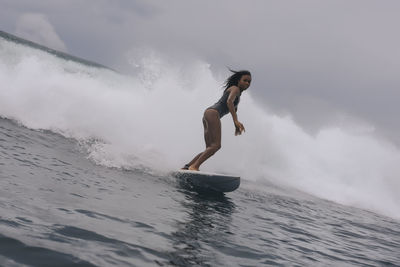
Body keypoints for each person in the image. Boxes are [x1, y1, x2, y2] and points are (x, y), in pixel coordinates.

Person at [183, 69, 252, 171]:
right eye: (245, 80)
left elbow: (233, 107)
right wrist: (235, 121)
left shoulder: (237, 93)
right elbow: (229, 102)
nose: (247, 83)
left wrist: (236, 125)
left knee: (209, 148)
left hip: (208, 113)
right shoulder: (235, 89)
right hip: (213, 113)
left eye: (249, 82)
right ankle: (195, 166)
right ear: (238, 80)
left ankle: (187, 167)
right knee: (216, 146)